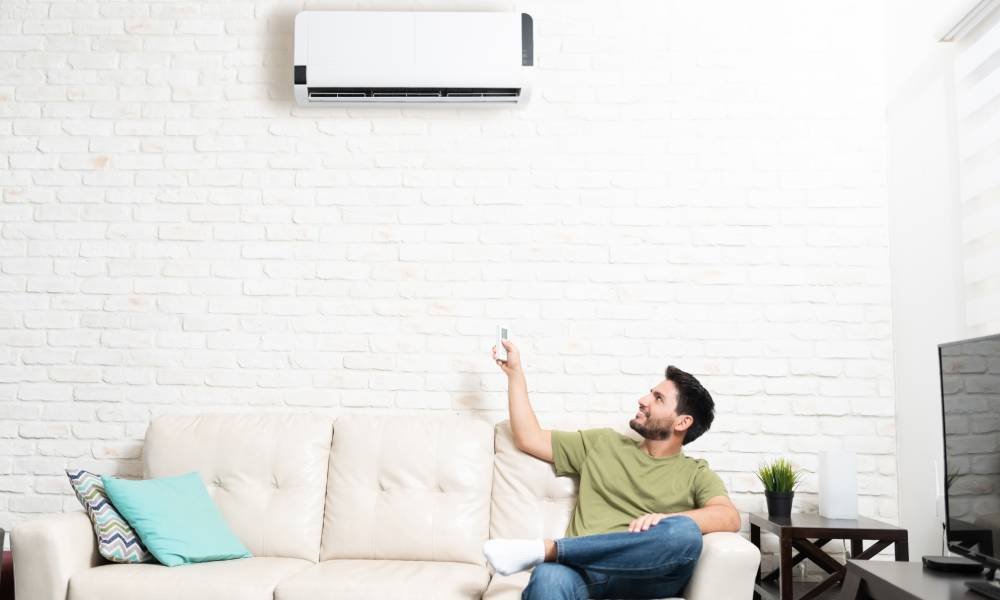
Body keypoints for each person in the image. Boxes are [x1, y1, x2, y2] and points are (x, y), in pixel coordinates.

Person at [484, 339, 740, 600]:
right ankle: (554, 555)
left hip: (647, 576)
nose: (643, 400)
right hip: (583, 571)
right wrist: (515, 374)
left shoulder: (695, 472)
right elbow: (529, 438)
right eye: (650, 392)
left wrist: (666, 520)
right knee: (548, 577)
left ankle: (550, 550)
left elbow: (729, 517)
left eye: (658, 398)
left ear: (683, 422)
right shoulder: (602, 444)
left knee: (685, 533)